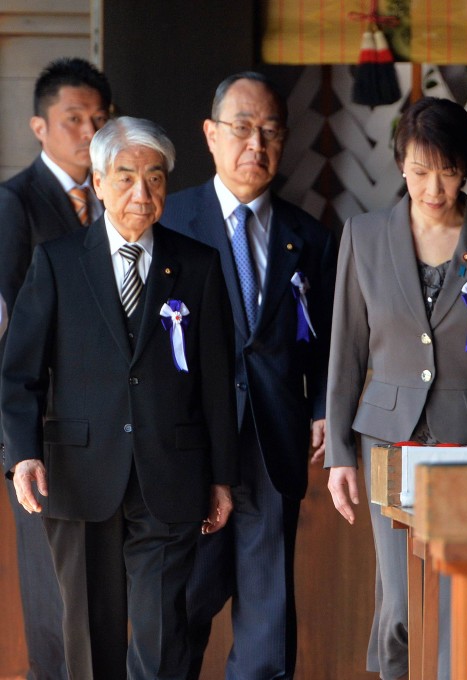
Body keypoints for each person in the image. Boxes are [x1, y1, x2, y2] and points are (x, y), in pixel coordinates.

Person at [1, 116, 237, 680]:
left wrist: (222, 477)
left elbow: (216, 381)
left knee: (163, 638)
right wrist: (23, 454)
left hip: (171, 475)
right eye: (127, 177)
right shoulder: (57, 261)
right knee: (90, 638)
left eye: (155, 178)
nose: (142, 193)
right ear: (99, 182)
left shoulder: (198, 265)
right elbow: (19, 373)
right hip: (79, 476)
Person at [325, 96, 467, 680]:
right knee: (401, 603)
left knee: (455, 600)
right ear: (401, 165)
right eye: (420, 171)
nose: (433, 187)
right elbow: (346, 352)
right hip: (388, 440)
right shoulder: (364, 236)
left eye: (447, 171)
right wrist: (339, 454)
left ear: (465, 167)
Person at [160, 72, 337, 680]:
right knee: (181, 606)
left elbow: (326, 341)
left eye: (271, 131)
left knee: (268, 617)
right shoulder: (169, 220)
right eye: (242, 128)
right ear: (211, 134)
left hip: (271, 442)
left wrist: (322, 408)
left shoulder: (309, 237)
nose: (256, 144)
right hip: (191, 443)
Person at [0, 57, 111, 680]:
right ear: (40, 126)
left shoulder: (116, 196)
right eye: (74, 119)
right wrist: (18, 439)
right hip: (44, 424)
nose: (89, 131)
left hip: (108, 423)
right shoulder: (14, 203)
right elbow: (8, 326)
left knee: (102, 594)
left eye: (99, 118)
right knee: (53, 590)